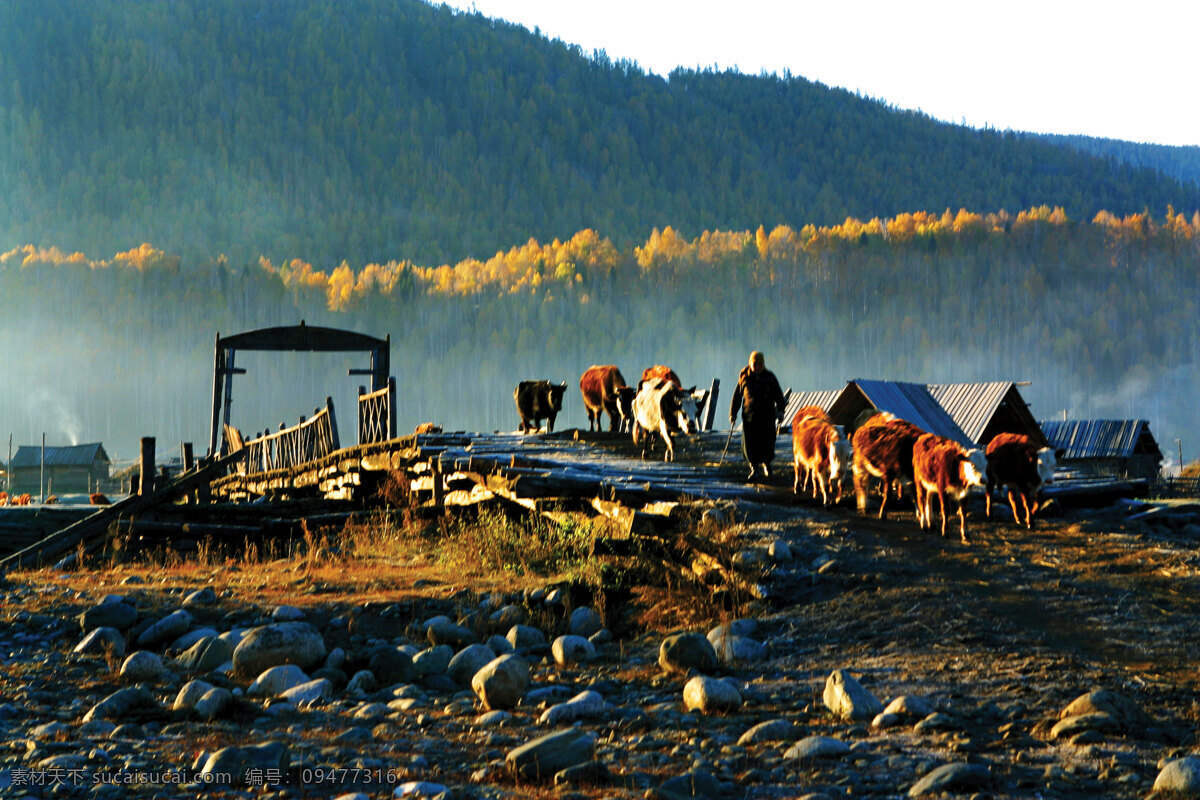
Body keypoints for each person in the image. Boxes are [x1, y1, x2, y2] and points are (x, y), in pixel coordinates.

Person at [729, 350, 786, 481]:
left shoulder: (769, 377)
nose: (757, 366)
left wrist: (781, 411)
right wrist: (733, 414)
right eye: (755, 363)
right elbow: (737, 397)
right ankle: (754, 468)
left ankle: (767, 465)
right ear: (750, 363)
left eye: (760, 364)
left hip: (767, 416)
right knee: (750, 444)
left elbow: (779, 395)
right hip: (750, 418)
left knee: (767, 442)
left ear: (763, 364)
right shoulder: (744, 377)